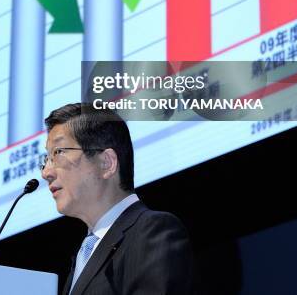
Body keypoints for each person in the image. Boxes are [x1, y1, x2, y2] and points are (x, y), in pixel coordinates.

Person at [41, 102, 194, 294]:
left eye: (58, 152)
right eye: (46, 159)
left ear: (107, 163)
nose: (46, 172)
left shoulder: (152, 231)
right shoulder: (84, 253)